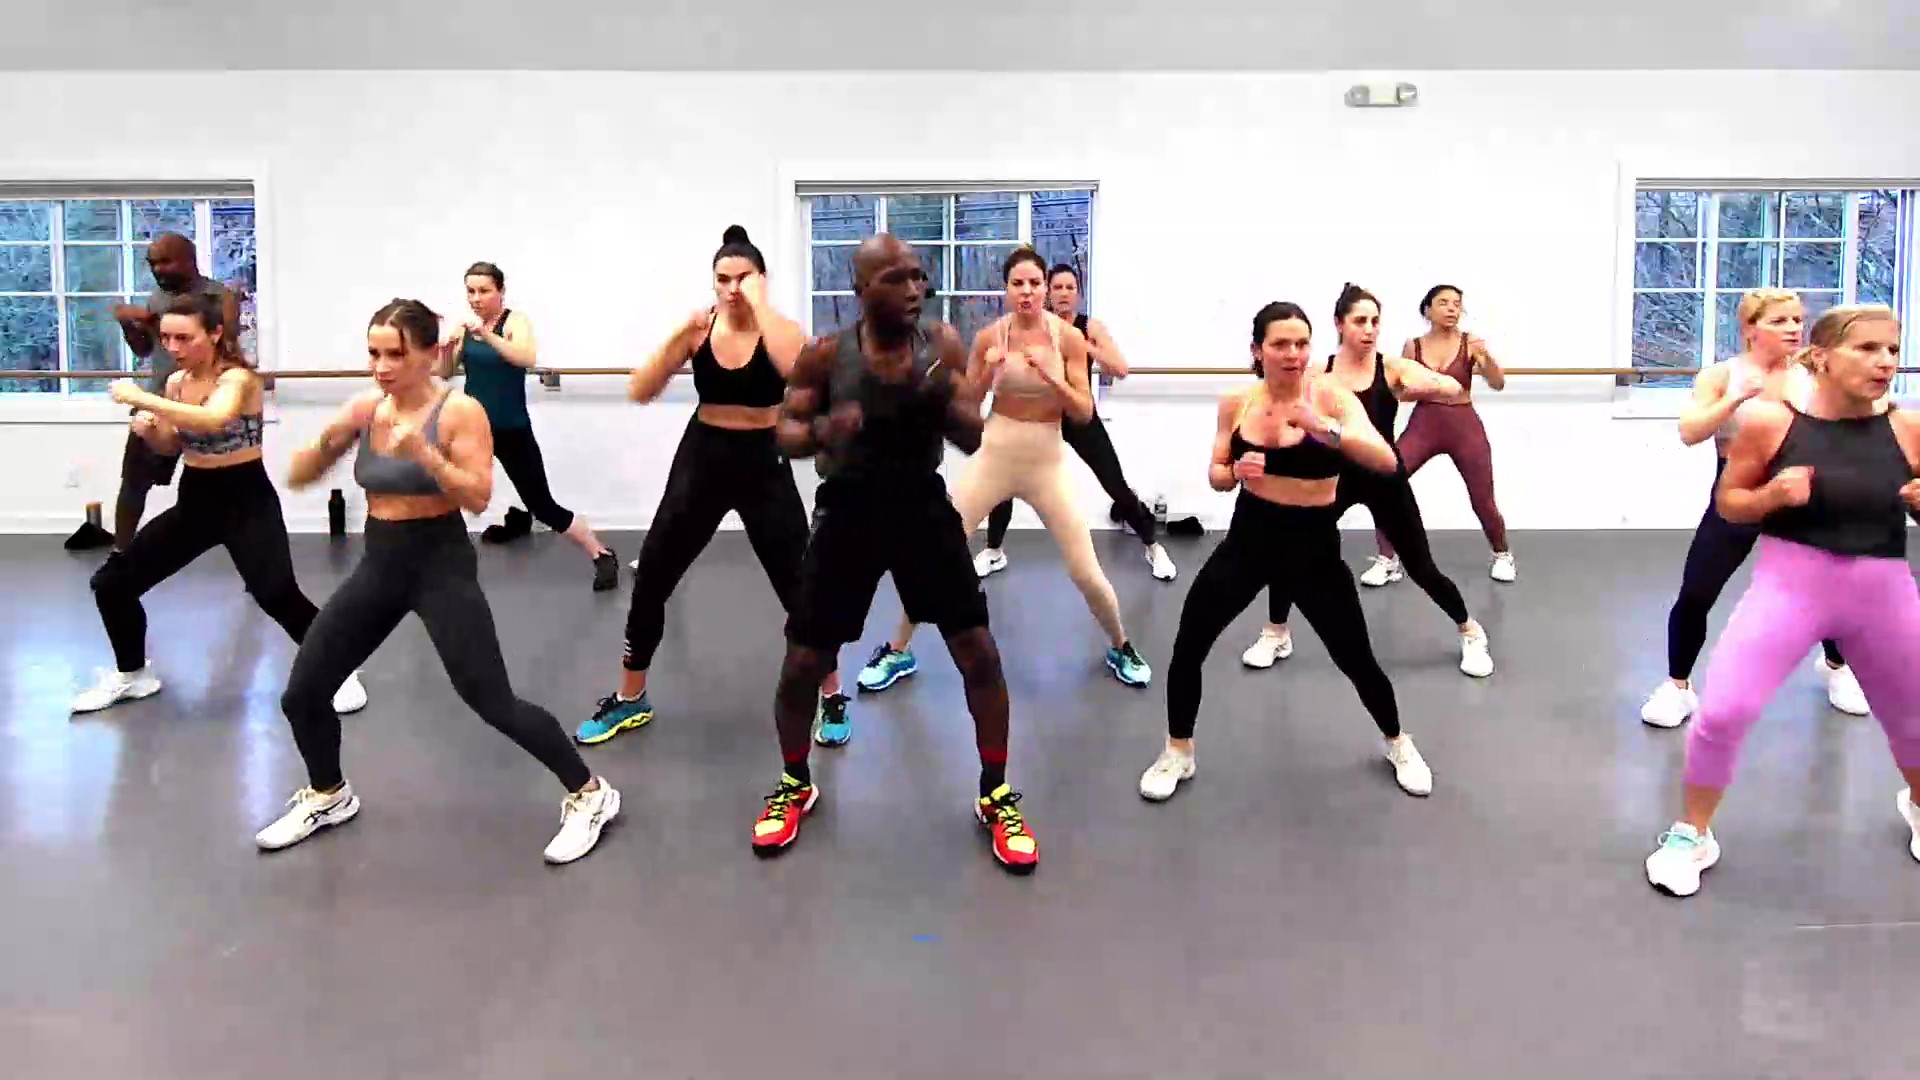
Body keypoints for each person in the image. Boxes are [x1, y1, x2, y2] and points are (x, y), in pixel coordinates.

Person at [261, 299, 618, 864]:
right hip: (380, 564)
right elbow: (299, 475)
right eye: (374, 353)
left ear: (430, 355)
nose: (381, 367)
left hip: (439, 564)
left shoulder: (459, 412)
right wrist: (326, 443)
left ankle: (591, 794)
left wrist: (425, 453)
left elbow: (478, 496)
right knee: (303, 693)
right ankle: (329, 794)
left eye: (395, 354)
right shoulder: (367, 407)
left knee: (492, 701)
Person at [760, 233, 1036, 874]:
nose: (916, 289)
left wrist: (937, 396)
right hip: (848, 508)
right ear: (861, 289)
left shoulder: (941, 345)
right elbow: (785, 432)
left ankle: (995, 793)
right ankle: (795, 783)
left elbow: (973, 435)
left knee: (978, 650)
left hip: (920, 505)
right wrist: (826, 428)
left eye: (919, 276)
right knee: (804, 660)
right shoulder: (826, 354)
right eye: (897, 278)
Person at [1644, 305, 1920, 898]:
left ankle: (1918, 804)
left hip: (1884, 592)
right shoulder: (1772, 422)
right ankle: (1692, 833)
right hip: (1791, 589)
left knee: (1914, 715)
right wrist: (1771, 495)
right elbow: (1730, 503)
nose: (1885, 362)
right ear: (1821, 357)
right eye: (1867, 348)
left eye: (1892, 350)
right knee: (1723, 713)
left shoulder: (1908, 427)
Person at [1138, 300, 1434, 803]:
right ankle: (1178, 752)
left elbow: (1386, 461)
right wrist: (1234, 473)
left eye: (1301, 343)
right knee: (1189, 645)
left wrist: (1325, 430)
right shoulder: (1237, 403)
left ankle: (1398, 743)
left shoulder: (1332, 398)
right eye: (1280, 344)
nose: (1293, 354)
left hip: (1313, 548)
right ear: (1258, 350)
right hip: (1248, 541)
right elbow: (1216, 472)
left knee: (1357, 658)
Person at [575, 227, 851, 748]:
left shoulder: (780, 330)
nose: (732, 288)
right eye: (723, 279)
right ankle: (631, 697)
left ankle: (832, 694)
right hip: (704, 457)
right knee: (653, 574)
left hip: (763, 460)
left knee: (801, 585)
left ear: (761, 280)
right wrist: (680, 335)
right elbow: (640, 389)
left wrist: (760, 307)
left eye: (743, 278)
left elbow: (798, 372)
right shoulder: (700, 331)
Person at [854, 248, 1152, 694]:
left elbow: (1084, 413)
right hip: (996, 453)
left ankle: (1121, 645)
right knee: (936, 552)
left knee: (1084, 569)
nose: (1027, 292)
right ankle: (897, 650)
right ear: (1007, 290)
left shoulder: (1068, 340)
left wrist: (1053, 377)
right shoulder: (989, 337)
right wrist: (986, 375)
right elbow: (968, 405)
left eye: (1035, 283)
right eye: (1018, 284)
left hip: (1046, 461)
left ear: (1045, 289)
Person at [73, 294, 367, 716]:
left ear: (214, 334)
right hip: (197, 500)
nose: (172, 348)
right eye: (166, 338)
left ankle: (339, 668)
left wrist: (141, 398)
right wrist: (149, 431)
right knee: (112, 584)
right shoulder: (177, 384)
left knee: (276, 594)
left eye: (184, 338)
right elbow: (173, 444)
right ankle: (134, 674)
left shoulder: (238, 380)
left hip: (246, 500)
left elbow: (214, 419)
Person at [1640, 289, 1868, 727]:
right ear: (1749, 328)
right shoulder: (1721, 375)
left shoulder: (1813, 373)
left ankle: (1836, 667)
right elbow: (1689, 432)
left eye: (1797, 319)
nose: (1794, 328)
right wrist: (1735, 399)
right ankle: (1677, 688)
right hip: (1739, 491)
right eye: (1780, 321)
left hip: (1803, 492)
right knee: (1698, 591)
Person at [1245, 284, 1494, 677]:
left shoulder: (1391, 368)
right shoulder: (1319, 373)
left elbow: (1452, 387)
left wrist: (1422, 385)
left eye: (1375, 322)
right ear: (1339, 325)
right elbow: (1273, 392)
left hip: (1384, 476)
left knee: (1421, 566)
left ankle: (1470, 630)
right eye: (1360, 321)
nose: (1369, 329)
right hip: (1333, 478)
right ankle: (1276, 632)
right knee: (1293, 549)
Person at [974, 264, 1177, 582]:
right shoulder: (1034, 327)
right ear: (1047, 293)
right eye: (1057, 287)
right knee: (1006, 482)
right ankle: (993, 550)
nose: (1064, 294)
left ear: (1078, 294)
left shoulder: (1088, 327)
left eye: (1070, 288)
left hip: (1079, 415)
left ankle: (1153, 546)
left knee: (1115, 483)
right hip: (1039, 417)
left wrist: (1085, 345)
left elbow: (1120, 368)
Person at [439, 262, 619, 591]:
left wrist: (486, 335)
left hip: (511, 429)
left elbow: (525, 358)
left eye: (484, 291)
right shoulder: (466, 328)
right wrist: (446, 349)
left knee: (543, 506)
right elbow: (446, 372)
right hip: (474, 429)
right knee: (446, 493)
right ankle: (437, 567)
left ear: (500, 291)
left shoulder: (514, 322)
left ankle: (601, 554)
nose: (476, 298)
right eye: (471, 291)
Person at [89, 233, 236, 553]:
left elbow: (226, 346)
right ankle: (121, 555)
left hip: (207, 402)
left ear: (188, 260)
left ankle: (250, 554)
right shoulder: (157, 299)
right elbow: (144, 350)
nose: (158, 269)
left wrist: (152, 322)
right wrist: (129, 325)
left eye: (166, 262)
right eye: (153, 263)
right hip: (159, 400)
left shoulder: (218, 296)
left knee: (230, 485)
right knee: (134, 482)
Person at [1364, 285, 1515, 584]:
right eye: (1443, 303)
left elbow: (1498, 384)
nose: (1451, 308)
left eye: (1457, 304)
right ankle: (1387, 560)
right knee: (1386, 482)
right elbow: (1401, 393)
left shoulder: (1471, 344)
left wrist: (1486, 357)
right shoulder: (1413, 347)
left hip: (1464, 425)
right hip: (1425, 423)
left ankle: (1502, 554)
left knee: (1483, 499)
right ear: (1428, 310)